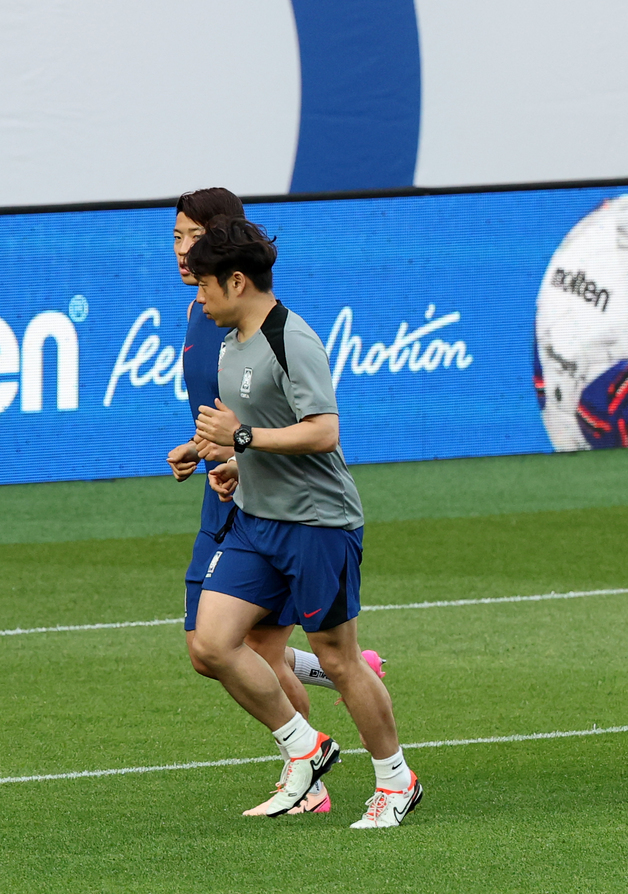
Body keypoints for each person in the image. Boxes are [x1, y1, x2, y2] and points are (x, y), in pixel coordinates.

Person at [184, 217, 421, 829]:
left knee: (338, 660)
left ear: (237, 282)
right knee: (211, 644)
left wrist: (240, 437)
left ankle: (396, 781)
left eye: (206, 285)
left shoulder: (293, 339)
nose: (199, 296)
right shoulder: (232, 342)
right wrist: (227, 461)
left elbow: (323, 432)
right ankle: (304, 747)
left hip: (317, 524)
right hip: (255, 522)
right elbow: (258, 434)